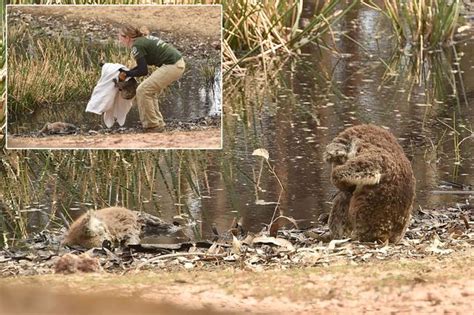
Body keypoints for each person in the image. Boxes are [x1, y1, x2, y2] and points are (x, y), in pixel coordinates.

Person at [118, 25, 185, 132]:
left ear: (127, 37)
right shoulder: (141, 41)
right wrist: (127, 73)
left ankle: (152, 126)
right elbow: (141, 67)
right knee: (150, 92)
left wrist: (127, 74)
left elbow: (143, 71)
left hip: (172, 65)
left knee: (143, 90)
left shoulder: (136, 46)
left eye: (120, 37)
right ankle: (158, 123)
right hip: (176, 64)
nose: (119, 40)